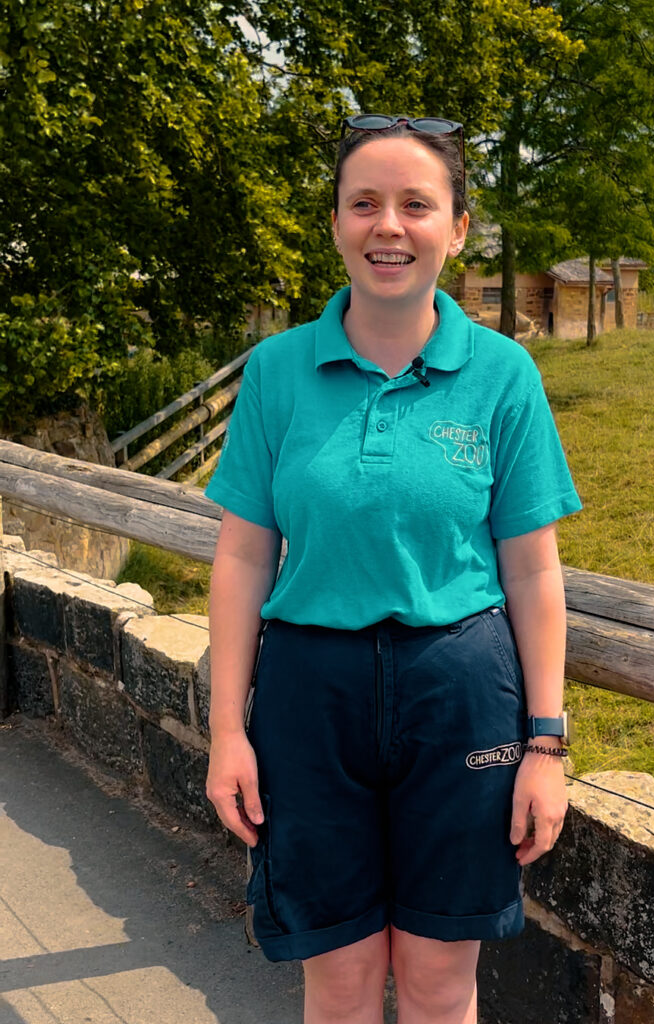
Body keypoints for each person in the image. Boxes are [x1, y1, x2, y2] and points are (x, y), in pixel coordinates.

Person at [204, 113, 582, 1024]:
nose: (388, 226)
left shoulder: (502, 374)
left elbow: (532, 571)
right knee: (336, 984)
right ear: (335, 222)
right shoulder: (277, 371)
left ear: (456, 228)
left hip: (460, 697)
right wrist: (225, 733)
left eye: (416, 204)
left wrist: (546, 745)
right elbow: (244, 556)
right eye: (363, 202)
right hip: (308, 698)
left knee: (438, 984)